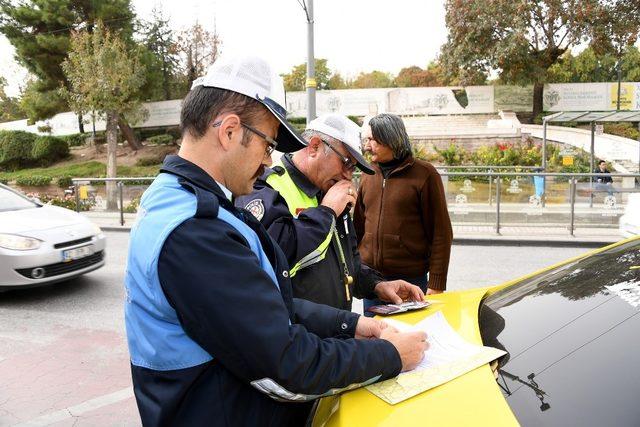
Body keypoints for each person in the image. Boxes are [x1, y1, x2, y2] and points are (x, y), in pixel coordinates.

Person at [124, 55, 427, 426]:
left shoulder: (187, 202)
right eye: (267, 144)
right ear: (230, 132)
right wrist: (390, 356)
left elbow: (264, 305)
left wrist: (350, 325)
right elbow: (284, 367)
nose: (269, 160)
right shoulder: (195, 230)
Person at [236, 113, 424, 311]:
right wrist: (327, 211)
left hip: (336, 330)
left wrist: (377, 285)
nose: (348, 175)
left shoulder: (328, 190)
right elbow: (277, 257)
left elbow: (347, 263)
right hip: (297, 333)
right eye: (346, 162)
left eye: (354, 168)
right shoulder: (264, 185)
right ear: (315, 146)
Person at [355, 114, 453, 317]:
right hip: (372, 281)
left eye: (373, 140)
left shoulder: (425, 174)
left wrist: (436, 284)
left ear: (391, 139)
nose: (367, 146)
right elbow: (358, 226)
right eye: (367, 140)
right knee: (375, 341)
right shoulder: (367, 174)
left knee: (408, 340)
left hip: (411, 283)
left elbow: (441, 232)